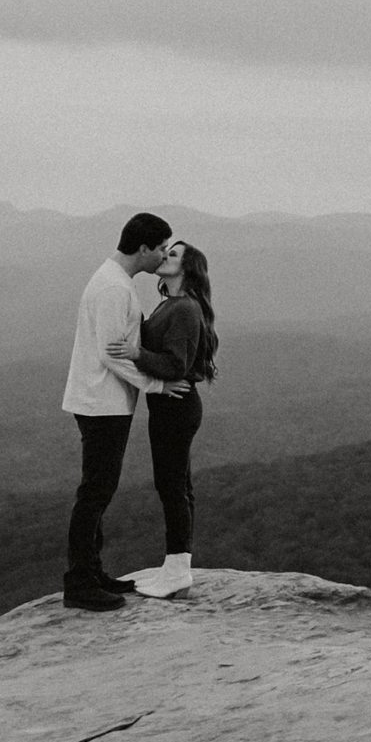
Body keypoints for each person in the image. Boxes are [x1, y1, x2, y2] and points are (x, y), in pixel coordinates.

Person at [60, 212, 190, 611]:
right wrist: (158, 384)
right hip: (101, 402)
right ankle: (79, 581)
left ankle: (92, 571)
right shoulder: (114, 288)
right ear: (145, 247)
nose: (164, 256)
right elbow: (112, 354)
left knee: (99, 489)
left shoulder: (114, 280)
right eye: (162, 248)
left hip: (103, 401)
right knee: (95, 492)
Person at [112, 240, 216, 599]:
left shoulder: (184, 309)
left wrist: (136, 353)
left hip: (177, 406)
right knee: (175, 485)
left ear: (186, 269)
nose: (164, 257)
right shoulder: (171, 304)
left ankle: (177, 570)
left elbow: (176, 365)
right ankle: (175, 566)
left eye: (173, 255)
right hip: (171, 407)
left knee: (172, 487)